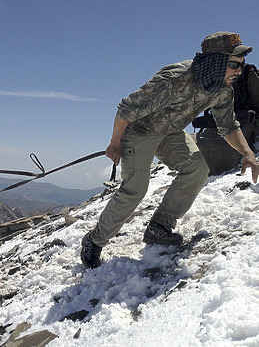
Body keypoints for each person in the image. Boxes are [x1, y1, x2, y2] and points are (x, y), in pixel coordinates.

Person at [81, 32, 259, 269]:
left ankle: (160, 226)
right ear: (215, 61)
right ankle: (94, 241)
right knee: (135, 189)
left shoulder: (223, 89)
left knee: (196, 169)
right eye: (234, 64)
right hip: (140, 131)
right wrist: (115, 143)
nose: (239, 71)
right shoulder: (176, 77)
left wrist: (247, 153)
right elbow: (126, 109)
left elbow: (228, 126)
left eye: (241, 65)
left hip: (170, 132)